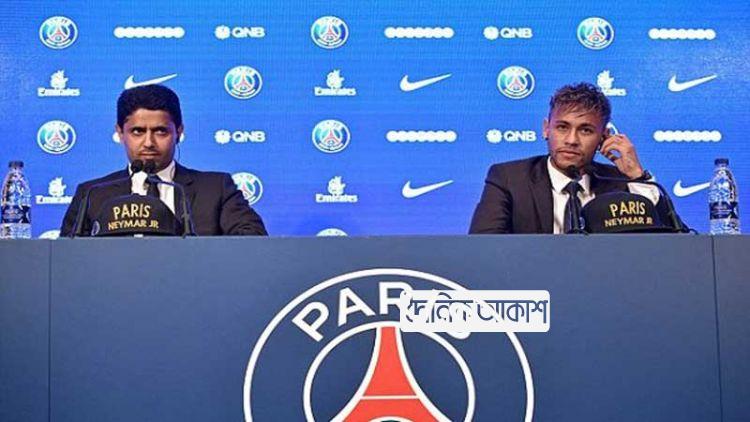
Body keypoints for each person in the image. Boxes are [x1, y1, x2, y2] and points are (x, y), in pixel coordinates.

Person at [469, 82, 677, 234]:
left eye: (585, 130)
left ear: (603, 136)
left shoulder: (620, 184)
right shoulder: (509, 178)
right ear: (546, 129)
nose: (571, 140)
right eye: (562, 127)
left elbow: (671, 244)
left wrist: (637, 176)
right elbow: (484, 246)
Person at [60, 84, 267, 236]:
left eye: (160, 131)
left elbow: (253, 241)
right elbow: (67, 260)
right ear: (120, 133)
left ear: (179, 132)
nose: (148, 143)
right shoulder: (92, 194)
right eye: (137, 131)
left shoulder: (216, 189)